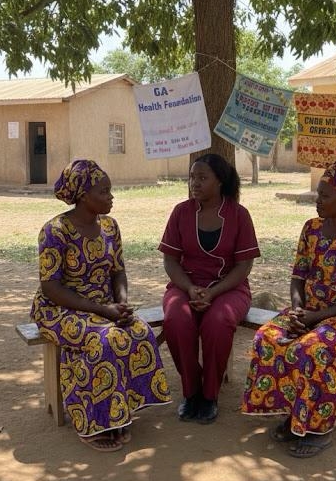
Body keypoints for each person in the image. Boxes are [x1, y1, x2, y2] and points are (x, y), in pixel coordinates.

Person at [241, 160, 336, 458]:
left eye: (325, 195)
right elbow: (298, 276)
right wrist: (297, 311)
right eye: (318, 193)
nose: (317, 200)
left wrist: (316, 318)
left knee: (312, 349)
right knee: (268, 338)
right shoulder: (312, 229)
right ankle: (293, 415)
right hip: (310, 311)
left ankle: (319, 428)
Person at [31, 159, 171, 452]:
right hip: (59, 309)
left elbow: (118, 271)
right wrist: (102, 311)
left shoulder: (109, 226)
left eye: (110, 190)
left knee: (140, 331)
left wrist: (121, 303)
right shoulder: (55, 231)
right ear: (83, 196)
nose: (111, 196)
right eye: (104, 191)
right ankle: (92, 422)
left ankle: (119, 412)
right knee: (103, 341)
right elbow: (51, 287)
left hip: (102, 304)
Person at [159, 153, 260, 424]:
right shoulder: (181, 212)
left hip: (229, 288)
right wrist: (190, 288)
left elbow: (243, 266)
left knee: (218, 322)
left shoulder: (239, 215)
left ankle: (209, 395)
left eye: (202, 177)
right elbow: (170, 261)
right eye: (192, 177)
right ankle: (191, 391)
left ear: (220, 181)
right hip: (185, 285)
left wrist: (213, 293)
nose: (195, 183)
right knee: (176, 319)